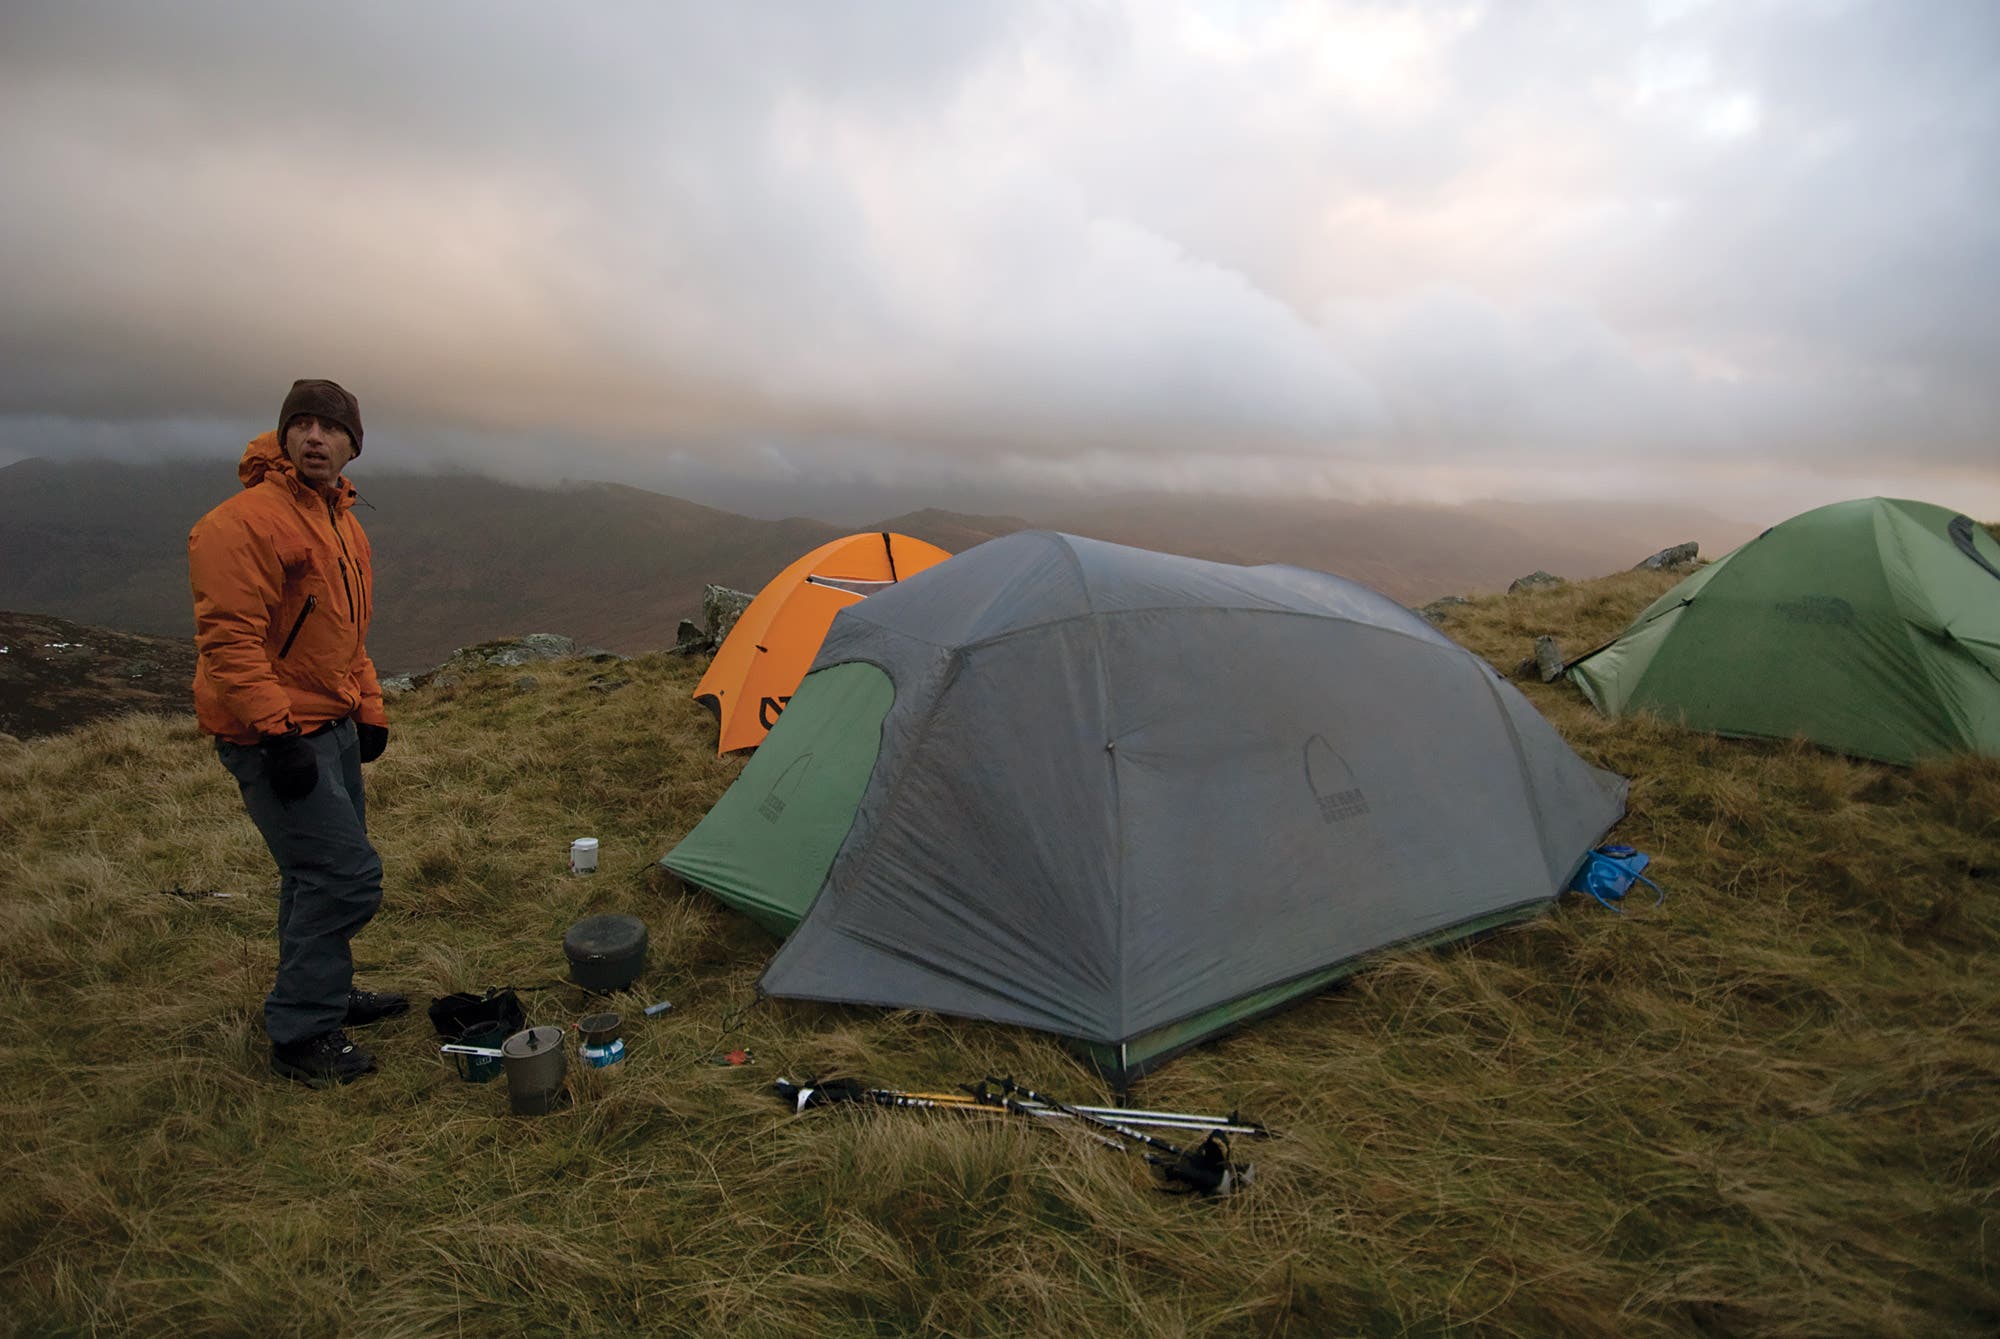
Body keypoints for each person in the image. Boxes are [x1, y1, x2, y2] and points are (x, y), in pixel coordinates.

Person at [188, 378, 404, 1085]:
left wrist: (368, 707)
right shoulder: (245, 521)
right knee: (346, 877)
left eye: (332, 428)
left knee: (313, 874)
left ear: (352, 445)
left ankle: (325, 993)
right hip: (276, 734)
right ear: (284, 436)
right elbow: (230, 641)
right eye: (303, 425)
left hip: (330, 722)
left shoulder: (342, 521)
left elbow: (345, 632)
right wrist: (276, 734)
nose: (316, 437)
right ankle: (302, 1033)